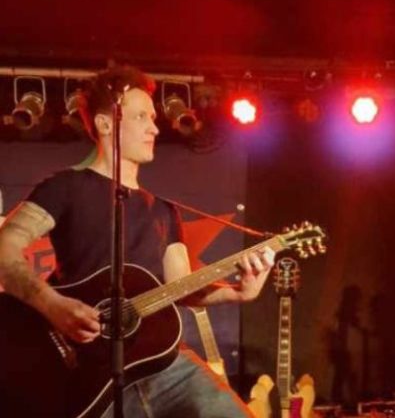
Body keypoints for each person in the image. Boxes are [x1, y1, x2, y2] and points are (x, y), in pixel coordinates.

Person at [0, 65, 275, 417]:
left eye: (154, 118)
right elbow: (5, 248)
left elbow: (180, 287)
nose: (155, 128)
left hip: (163, 363)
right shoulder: (64, 187)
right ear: (105, 124)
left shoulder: (163, 211)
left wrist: (236, 292)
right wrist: (52, 305)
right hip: (83, 372)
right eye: (141, 116)